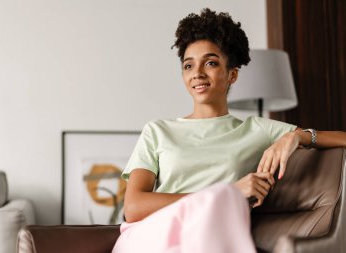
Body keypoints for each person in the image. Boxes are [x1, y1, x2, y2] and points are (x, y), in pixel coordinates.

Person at [112, 8, 346, 253]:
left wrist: (297, 135)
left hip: (210, 235)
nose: (198, 74)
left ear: (232, 74)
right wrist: (226, 192)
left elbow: (342, 138)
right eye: (188, 66)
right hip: (151, 236)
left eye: (210, 63)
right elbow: (134, 206)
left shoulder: (256, 129)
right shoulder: (158, 131)